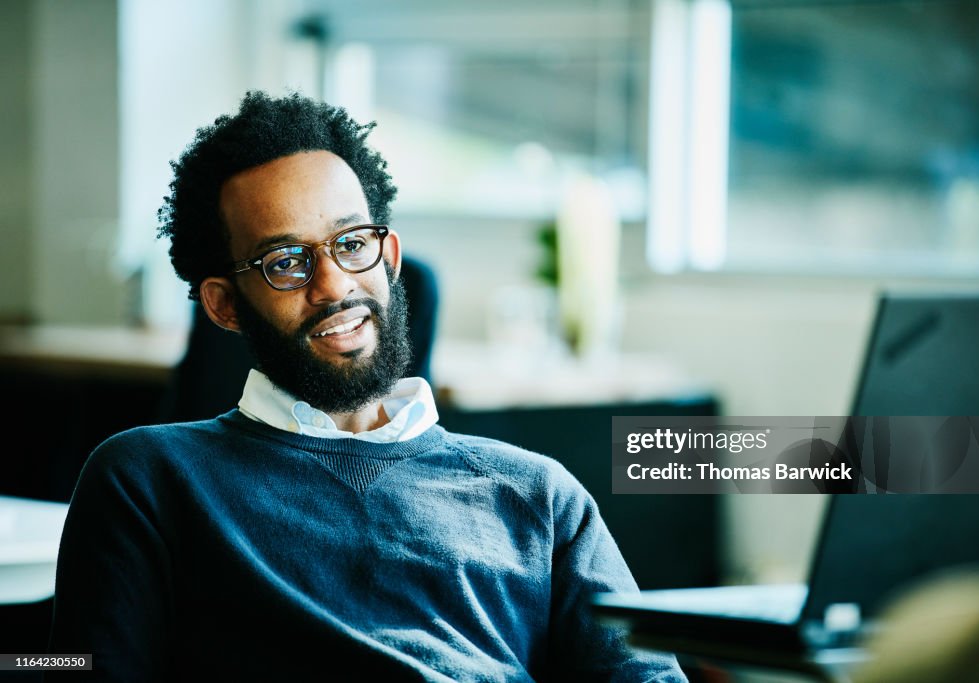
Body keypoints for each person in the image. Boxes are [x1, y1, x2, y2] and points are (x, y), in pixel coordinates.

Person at [48, 91, 686, 682]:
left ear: (390, 256)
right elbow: (67, 665)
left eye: (352, 243)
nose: (334, 287)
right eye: (287, 263)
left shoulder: (539, 496)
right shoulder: (149, 479)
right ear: (224, 305)